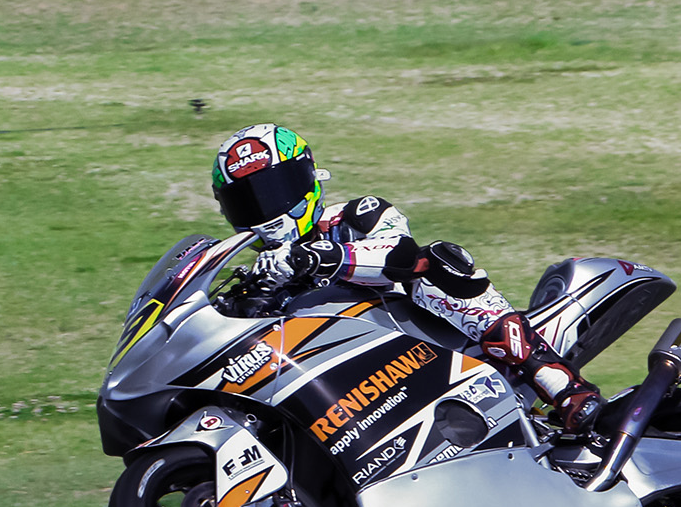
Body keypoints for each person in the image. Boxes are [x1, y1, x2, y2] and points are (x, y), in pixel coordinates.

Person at [210, 123, 604, 435]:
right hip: (352, 393)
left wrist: (319, 257)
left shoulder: (358, 216)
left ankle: (560, 383)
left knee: (438, 262)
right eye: (247, 202)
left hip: (432, 345)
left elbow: (401, 256)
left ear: (309, 178)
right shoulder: (260, 278)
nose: (265, 212)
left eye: (275, 192)